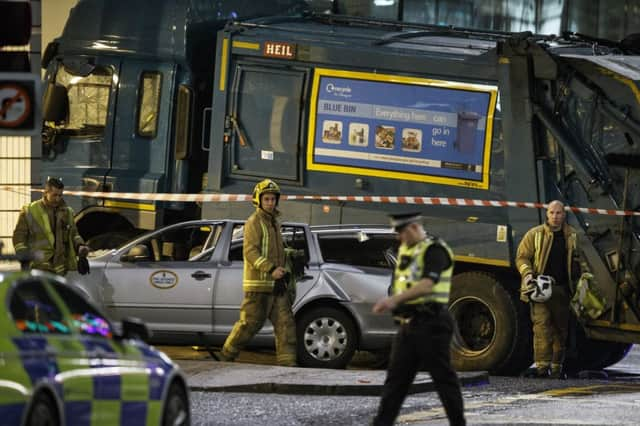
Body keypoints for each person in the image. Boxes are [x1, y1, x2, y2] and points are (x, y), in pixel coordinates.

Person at [372, 213, 465, 426]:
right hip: (408, 325)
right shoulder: (408, 249)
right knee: (395, 382)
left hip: (432, 323)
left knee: (444, 380)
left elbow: (427, 285)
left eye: (401, 232)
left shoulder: (435, 250)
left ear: (414, 227)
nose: (399, 238)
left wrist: (393, 300)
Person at [219, 179, 297, 366]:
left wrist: (290, 255)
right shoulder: (254, 222)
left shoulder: (275, 223)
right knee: (249, 325)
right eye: (267, 199)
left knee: (286, 326)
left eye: (273, 199)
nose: (270, 203)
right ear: (258, 200)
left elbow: (273, 251)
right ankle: (225, 357)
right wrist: (271, 269)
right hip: (258, 286)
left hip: (277, 286)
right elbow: (250, 252)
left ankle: (289, 367)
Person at [516, 200, 580, 379]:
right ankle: (542, 367)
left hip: (562, 290)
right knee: (542, 326)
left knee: (561, 329)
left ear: (564, 215)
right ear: (546, 214)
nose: (555, 216)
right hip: (540, 289)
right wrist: (527, 274)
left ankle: (557, 367)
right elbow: (521, 258)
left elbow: (581, 263)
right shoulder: (535, 235)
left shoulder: (573, 236)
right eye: (552, 213)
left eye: (559, 213)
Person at [12, 177, 90, 276]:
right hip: (38, 266)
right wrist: (24, 258)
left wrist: (80, 246)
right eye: (54, 195)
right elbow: (19, 237)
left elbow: (74, 235)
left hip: (60, 268)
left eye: (60, 195)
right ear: (46, 193)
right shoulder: (30, 211)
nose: (57, 199)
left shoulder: (67, 212)